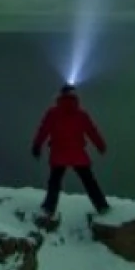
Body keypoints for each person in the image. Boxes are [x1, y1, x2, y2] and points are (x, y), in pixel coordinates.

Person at [31, 84, 111, 218]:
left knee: (54, 182)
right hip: (77, 154)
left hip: (59, 153)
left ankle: (49, 208)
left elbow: (43, 130)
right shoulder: (81, 114)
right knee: (89, 181)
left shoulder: (53, 113)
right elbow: (92, 131)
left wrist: (37, 146)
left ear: (60, 95)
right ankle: (102, 206)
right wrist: (101, 146)